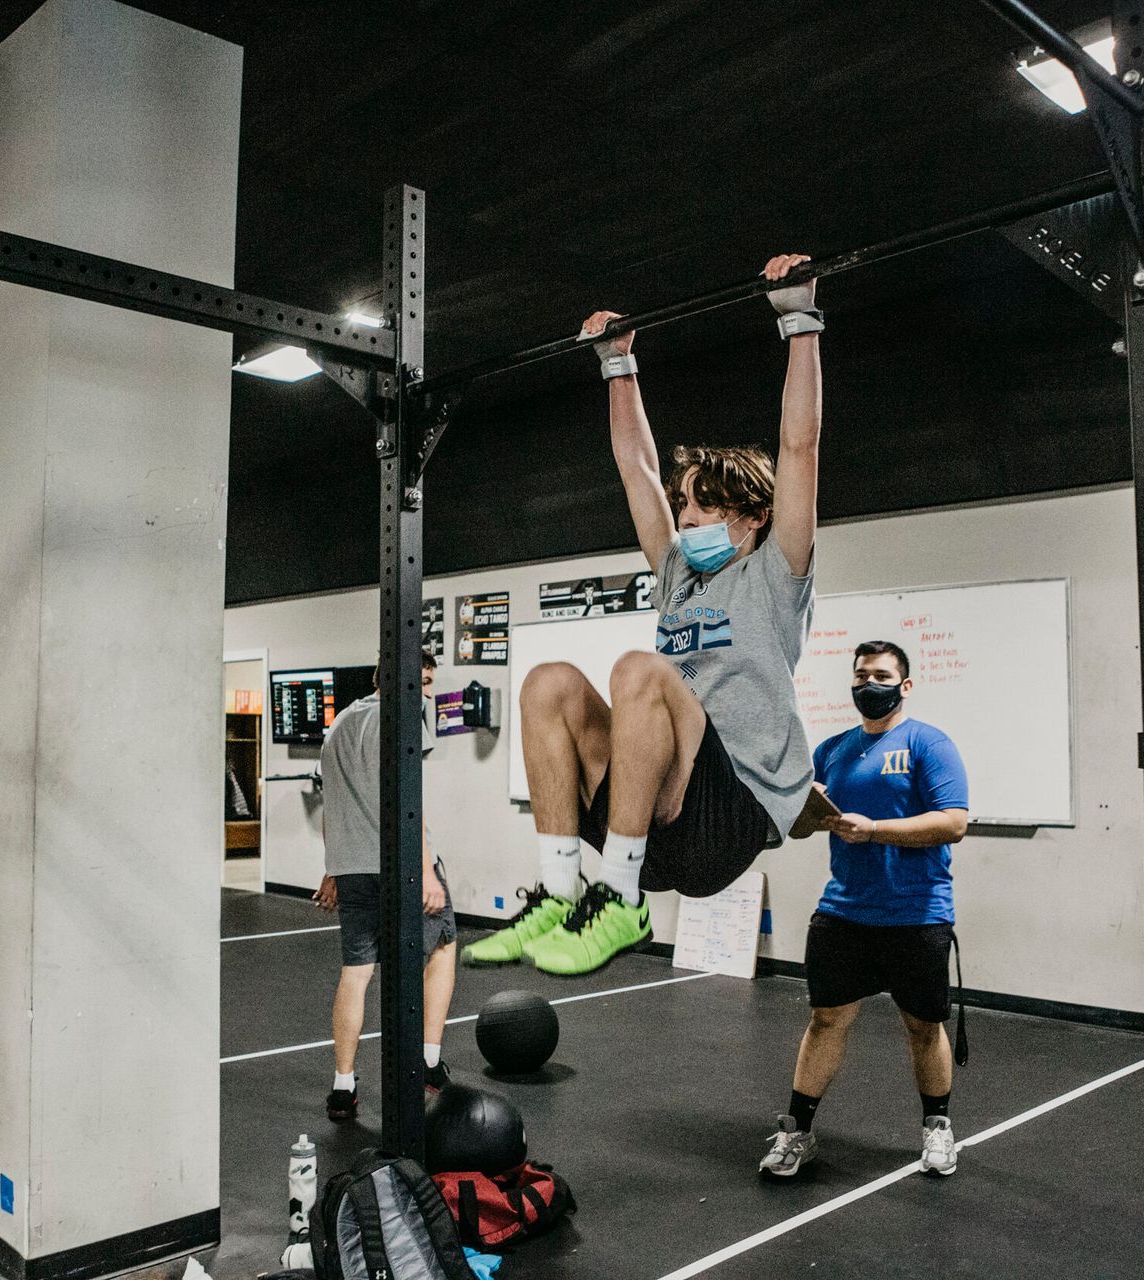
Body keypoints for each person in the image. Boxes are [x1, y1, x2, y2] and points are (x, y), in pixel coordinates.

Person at [463, 254, 824, 977]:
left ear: (751, 518)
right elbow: (637, 470)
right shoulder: (678, 578)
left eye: (701, 505)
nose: (683, 517)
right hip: (658, 817)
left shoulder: (774, 569)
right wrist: (618, 367)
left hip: (729, 809)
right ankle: (562, 892)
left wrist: (798, 319)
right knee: (550, 683)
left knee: (640, 670)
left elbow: (799, 445)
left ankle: (620, 900)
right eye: (683, 504)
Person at [759, 641, 970, 1179]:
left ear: (904, 685)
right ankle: (797, 1133)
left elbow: (953, 823)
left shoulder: (929, 743)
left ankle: (938, 1131)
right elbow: (802, 825)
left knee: (924, 1027)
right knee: (825, 1020)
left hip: (916, 914)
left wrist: (874, 829)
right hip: (844, 912)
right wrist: (804, 810)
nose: (866, 685)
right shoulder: (832, 749)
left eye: (880, 676)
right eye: (859, 675)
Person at [313, 648, 456, 1122]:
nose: (428, 693)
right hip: (401, 865)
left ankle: (342, 1085)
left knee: (357, 971)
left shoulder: (338, 726)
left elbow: (330, 803)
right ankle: (429, 1062)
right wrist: (428, 871)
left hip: (351, 867)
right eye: (425, 682)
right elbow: (406, 800)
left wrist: (333, 868)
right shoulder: (402, 721)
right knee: (443, 946)